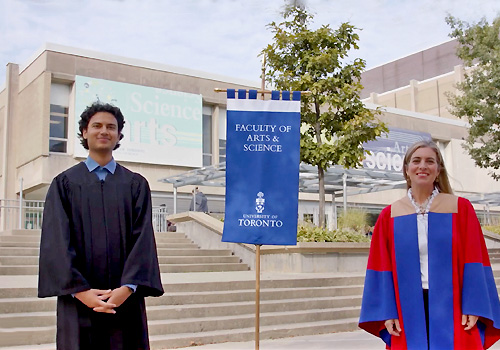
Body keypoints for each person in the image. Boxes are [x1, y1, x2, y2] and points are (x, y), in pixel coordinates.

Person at [38, 102, 164, 350]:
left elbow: (143, 241)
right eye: (96, 125)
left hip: (124, 301)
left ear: (118, 135)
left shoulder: (135, 185)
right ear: (85, 132)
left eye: (111, 127)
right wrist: (81, 292)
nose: (103, 131)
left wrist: (126, 289)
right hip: (78, 302)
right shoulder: (64, 184)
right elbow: (56, 241)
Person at [359, 140, 500, 349]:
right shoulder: (390, 215)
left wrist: (474, 304)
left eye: (430, 161)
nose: (422, 166)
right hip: (407, 308)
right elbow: (381, 268)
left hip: (454, 307)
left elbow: (475, 260)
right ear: (407, 170)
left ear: (438, 170)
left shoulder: (460, 209)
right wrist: (387, 311)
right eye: (416, 161)